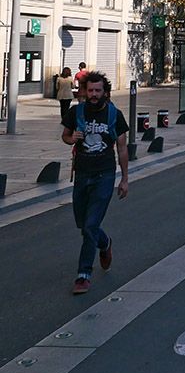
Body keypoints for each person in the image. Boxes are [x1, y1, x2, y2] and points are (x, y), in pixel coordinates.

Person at [60, 71, 129, 295]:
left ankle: (83, 275)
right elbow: (65, 136)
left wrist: (125, 179)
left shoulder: (114, 115)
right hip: (81, 175)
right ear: (84, 91)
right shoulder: (75, 112)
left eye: (98, 91)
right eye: (90, 90)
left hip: (104, 176)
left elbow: (122, 148)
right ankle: (105, 242)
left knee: (89, 226)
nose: (93, 95)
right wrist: (73, 139)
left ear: (105, 92)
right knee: (84, 225)